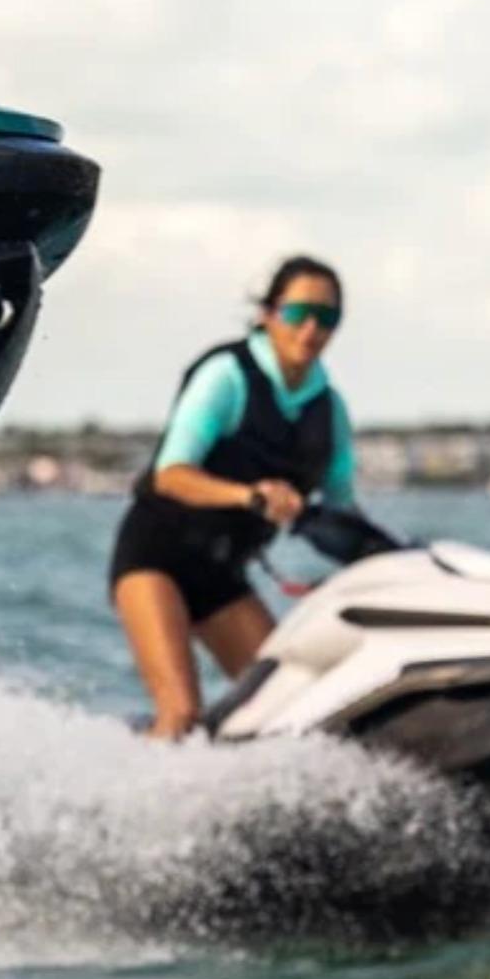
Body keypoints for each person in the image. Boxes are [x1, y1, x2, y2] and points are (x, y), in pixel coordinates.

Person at [110, 256, 359, 739]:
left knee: (291, 713)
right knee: (181, 712)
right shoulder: (227, 375)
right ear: (268, 313)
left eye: (327, 318)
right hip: (154, 558)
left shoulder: (329, 409)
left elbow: (342, 511)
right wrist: (251, 496)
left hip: (221, 575)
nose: (311, 329)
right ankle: (132, 801)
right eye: (297, 313)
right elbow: (171, 475)